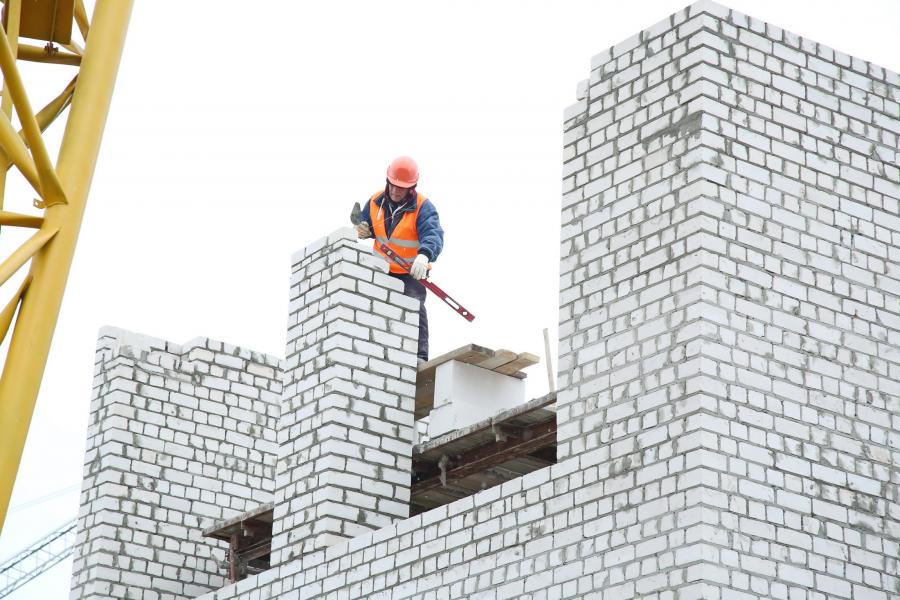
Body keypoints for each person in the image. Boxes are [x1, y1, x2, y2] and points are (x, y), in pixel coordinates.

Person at [355, 156, 444, 365]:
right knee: (375, 309)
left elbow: (433, 234)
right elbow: (365, 223)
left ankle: (419, 357)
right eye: (392, 185)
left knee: (414, 307)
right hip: (381, 268)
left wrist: (424, 255)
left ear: (412, 187)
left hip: (411, 271)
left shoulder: (423, 207)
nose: (395, 191)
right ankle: (375, 353)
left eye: (401, 188)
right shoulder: (376, 201)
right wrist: (362, 228)